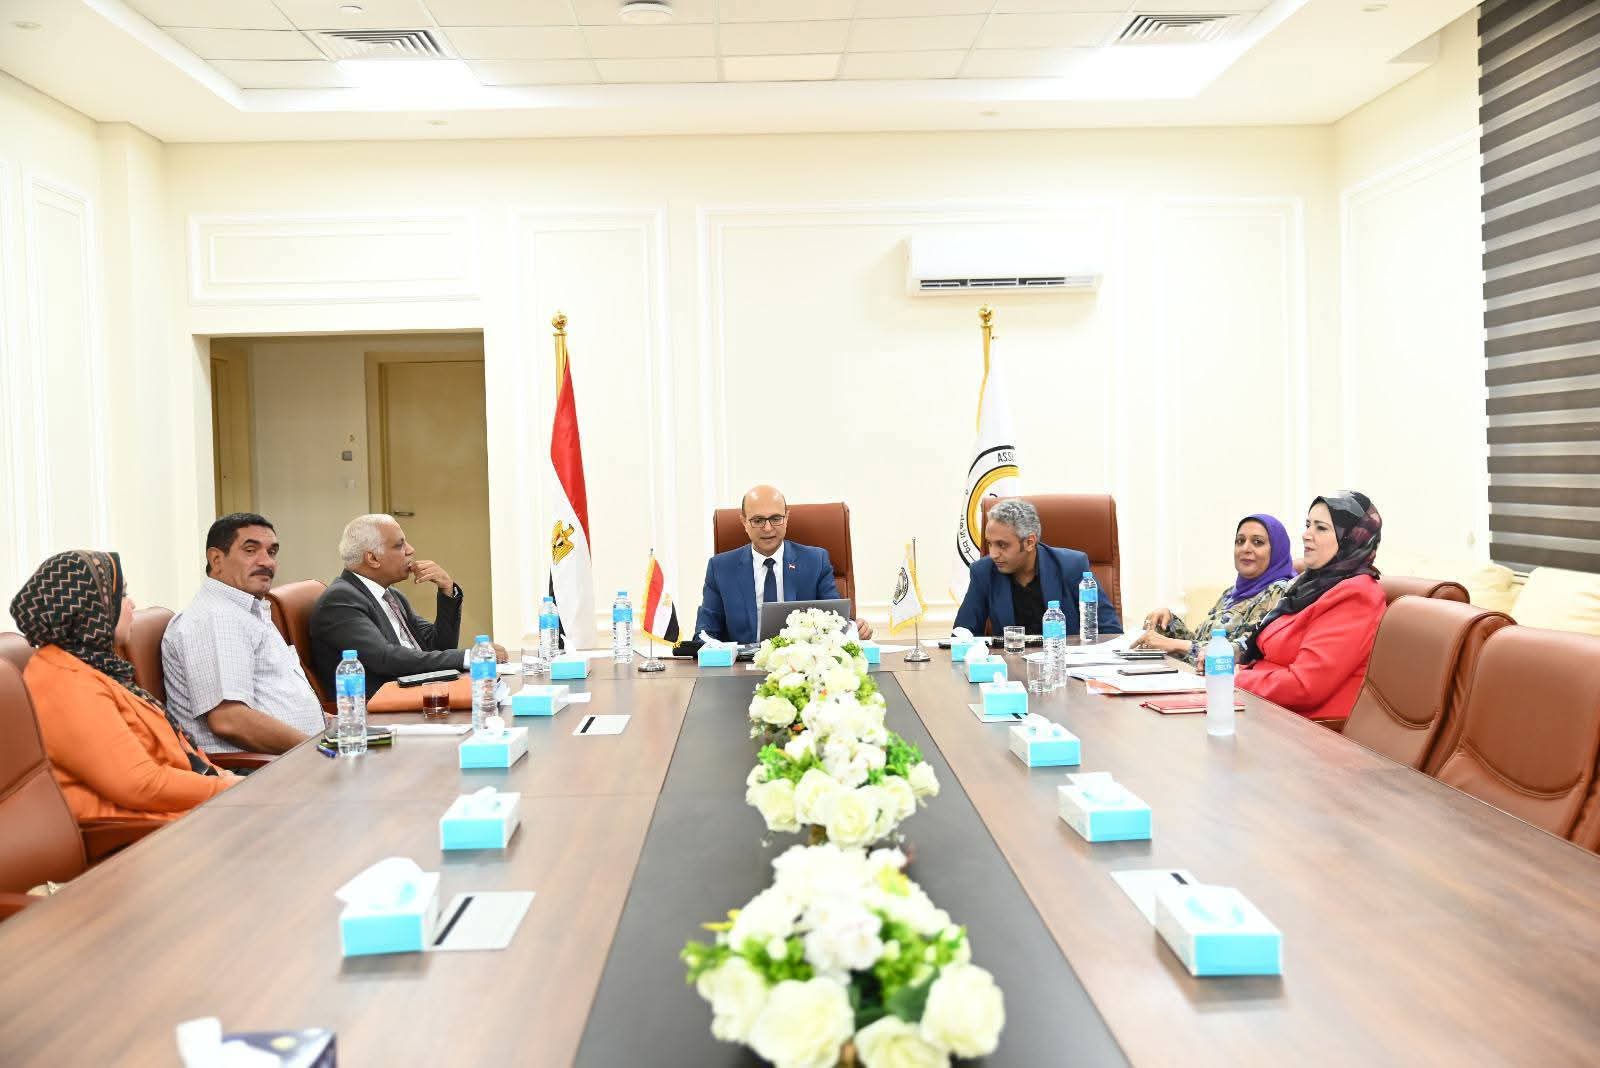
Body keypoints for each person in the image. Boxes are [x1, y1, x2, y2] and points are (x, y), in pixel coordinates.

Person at [10, 550, 237, 821]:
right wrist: (228, 788)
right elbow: (141, 785)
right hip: (148, 829)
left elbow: (173, 755)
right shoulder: (64, 681)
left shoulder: (94, 664)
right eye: (122, 595)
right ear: (89, 608)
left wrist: (223, 779)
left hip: (185, 809)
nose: (132, 604)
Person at [162, 513, 324, 755]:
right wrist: (320, 749)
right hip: (258, 768)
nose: (267, 562)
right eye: (250, 550)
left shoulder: (245, 610)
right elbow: (230, 720)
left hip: (296, 755)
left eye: (272, 552)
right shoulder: (217, 618)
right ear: (216, 559)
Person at [310, 513, 505, 698]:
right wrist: (469, 657)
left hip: (417, 689)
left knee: (496, 690)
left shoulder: (392, 595)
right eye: (399, 545)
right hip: (382, 704)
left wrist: (447, 590)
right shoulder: (341, 600)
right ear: (373, 558)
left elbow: (437, 646)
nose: (411, 550)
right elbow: (385, 658)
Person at [1235, 492, 1386, 722]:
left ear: (1351, 538)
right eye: (1308, 525)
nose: (1306, 535)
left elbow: (1303, 686)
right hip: (1268, 709)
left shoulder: (1357, 596)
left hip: (1308, 728)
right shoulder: (1311, 586)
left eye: (1321, 528)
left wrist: (1234, 679)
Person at [694, 484, 873, 645]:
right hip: (742, 665)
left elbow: (836, 621)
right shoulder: (720, 568)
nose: (768, 528)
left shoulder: (815, 561)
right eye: (758, 520)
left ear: (786, 518)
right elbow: (704, 634)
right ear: (744, 522)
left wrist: (854, 629)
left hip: (802, 664)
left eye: (775, 518)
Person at [1132, 514, 1295, 663]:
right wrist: (1169, 622)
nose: (1245, 548)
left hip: (1228, 683)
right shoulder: (1231, 593)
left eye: (1257, 542)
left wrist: (1173, 644)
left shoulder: (1278, 592)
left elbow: (1246, 651)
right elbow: (1199, 642)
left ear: (1277, 550)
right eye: (1240, 541)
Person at [953, 498, 1122, 638]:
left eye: (1002, 545)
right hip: (1010, 664)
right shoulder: (983, 571)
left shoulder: (1072, 566)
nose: (993, 554)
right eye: (990, 544)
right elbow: (962, 634)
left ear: (1029, 542)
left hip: (1063, 661)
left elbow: (1110, 632)